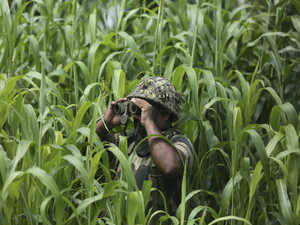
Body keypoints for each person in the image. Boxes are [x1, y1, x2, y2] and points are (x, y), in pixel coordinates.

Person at [96, 76, 194, 222]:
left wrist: (148, 121)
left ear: (165, 114)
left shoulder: (178, 143)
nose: (136, 116)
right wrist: (106, 123)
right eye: (135, 108)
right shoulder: (127, 141)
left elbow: (170, 166)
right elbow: (89, 147)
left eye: (142, 109)